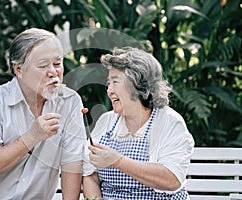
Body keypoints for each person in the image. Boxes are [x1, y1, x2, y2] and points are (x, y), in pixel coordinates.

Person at [0, 28, 87, 200]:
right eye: (42, 65)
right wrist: (31, 137)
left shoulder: (70, 102)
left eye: (57, 64)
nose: (53, 72)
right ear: (18, 69)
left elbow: (72, 163)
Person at [83, 47, 195, 200]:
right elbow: (91, 175)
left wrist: (118, 161)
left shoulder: (169, 121)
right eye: (108, 83)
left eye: (115, 82)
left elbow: (172, 180)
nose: (109, 90)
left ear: (138, 84)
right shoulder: (106, 122)